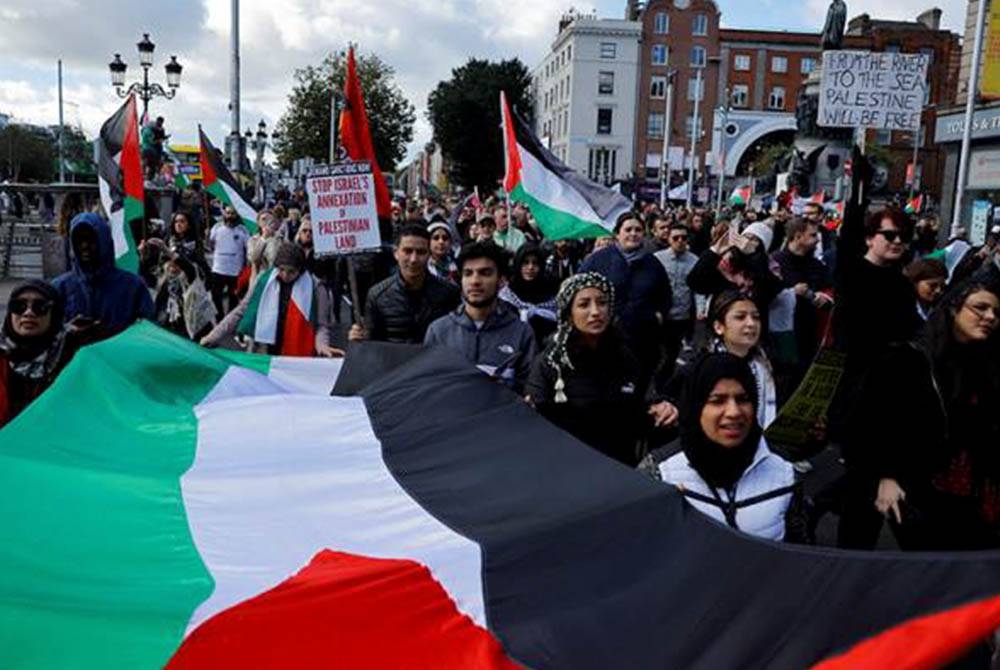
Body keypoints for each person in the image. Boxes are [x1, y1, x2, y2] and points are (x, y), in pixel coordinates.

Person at [840, 281, 1000, 552]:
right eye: (980, 308)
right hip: (916, 487)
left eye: (996, 312)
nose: (990, 317)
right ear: (954, 309)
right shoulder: (909, 359)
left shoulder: (988, 363)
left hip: (970, 490)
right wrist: (886, 476)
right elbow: (868, 423)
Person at [639, 353, 805, 542]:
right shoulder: (661, 472)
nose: (734, 412)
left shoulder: (783, 471)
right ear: (695, 407)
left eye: (743, 399)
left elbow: (802, 554)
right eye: (717, 400)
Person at [525, 272, 647, 466]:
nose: (596, 311)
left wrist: (661, 406)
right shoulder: (551, 363)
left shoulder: (626, 356)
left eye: (602, 303)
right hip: (568, 465)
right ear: (569, 313)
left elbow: (643, 403)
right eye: (584, 305)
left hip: (620, 465)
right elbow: (537, 419)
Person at [424, 242, 536, 391]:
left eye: (485, 273)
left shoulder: (522, 334)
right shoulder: (438, 332)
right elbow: (427, 388)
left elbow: (529, 390)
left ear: (501, 280)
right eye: (468, 273)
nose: (475, 281)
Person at [580, 213, 672, 383]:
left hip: (642, 340)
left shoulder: (653, 263)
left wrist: (658, 316)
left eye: (638, 230)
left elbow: (665, 295)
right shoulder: (599, 260)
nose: (633, 234)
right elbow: (578, 289)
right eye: (628, 229)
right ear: (617, 233)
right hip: (604, 338)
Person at [202, 243, 339, 357]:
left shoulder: (316, 288)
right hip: (264, 350)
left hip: (299, 352)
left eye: (291, 272)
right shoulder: (263, 281)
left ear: (301, 270)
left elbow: (322, 325)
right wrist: (213, 336)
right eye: (281, 269)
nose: (285, 275)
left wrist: (322, 346)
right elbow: (241, 310)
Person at [349, 224, 460, 344]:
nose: (413, 259)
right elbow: (373, 345)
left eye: (421, 252)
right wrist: (360, 338)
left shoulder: (449, 293)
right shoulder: (377, 295)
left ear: (429, 254)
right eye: (407, 251)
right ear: (396, 253)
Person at [52, 212, 154, 338]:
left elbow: (149, 330)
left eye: (91, 239)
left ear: (104, 241)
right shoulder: (60, 287)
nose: (85, 246)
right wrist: (67, 330)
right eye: (79, 240)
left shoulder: (133, 287)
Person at [0, 281, 79, 427]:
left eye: (40, 307)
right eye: (19, 306)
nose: (28, 313)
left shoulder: (73, 359)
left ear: (54, 313)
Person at [771, 217, 833, 394]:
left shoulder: (817, 265)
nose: (817, 239)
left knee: (803, 376)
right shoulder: (776, 262)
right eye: (812, 235)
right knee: (784, 376)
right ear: (798, 237)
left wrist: (825, 298)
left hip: (809, 332)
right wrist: (792, 292)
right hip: (783, 332)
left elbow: (829, 292)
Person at [654, 223, 700, 379]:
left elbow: (697, 289)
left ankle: (663, 384)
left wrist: (701, 309)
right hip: (660, 315)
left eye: (684, 238)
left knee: (672, 353)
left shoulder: (694, 260)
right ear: (669, 239)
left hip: (681, 316)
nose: (680, 241)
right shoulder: (658, 258)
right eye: (676, 238)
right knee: (656, 352)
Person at [500, 243, 559, 345]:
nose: (530, 267)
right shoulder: (508, 296)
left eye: (535, 263)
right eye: (525, 263)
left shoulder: (550, 292)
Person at [208, 205, 251, 318]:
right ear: (224, 214)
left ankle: (230, 319)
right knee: (215, 295)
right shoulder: (216, 227)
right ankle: (219, 316)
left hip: (235, 270)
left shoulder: (243, 230)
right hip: (218, 268)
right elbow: (210, 246)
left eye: (233, 213)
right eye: (228, 213)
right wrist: (207, 236)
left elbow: (248, 248)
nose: (230, 216)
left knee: (234, 297)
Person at [903, 257, 948, 323]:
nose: (938, 290)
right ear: (915, 282)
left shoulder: (940, 309)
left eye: (942, 286)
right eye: (932, 285)